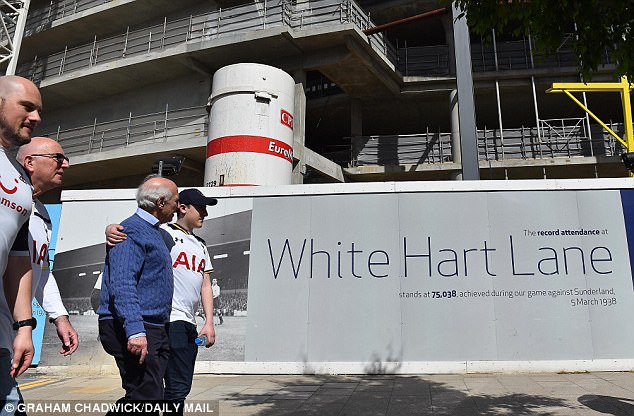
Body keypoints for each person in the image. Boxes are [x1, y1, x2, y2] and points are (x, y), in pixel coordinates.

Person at [107, 188, 217, 414]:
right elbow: (130, 231)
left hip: (189, 322)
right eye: (201, 207)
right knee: (163, 388)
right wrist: (110, 230)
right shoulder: (163, 232)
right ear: (183, 208)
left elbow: (205, 283)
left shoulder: (201, 244)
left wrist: (209, 322)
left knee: (177, 386)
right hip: (168, 319)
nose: (204, 213)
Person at [96, 175, 179, 413]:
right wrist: (135, 330)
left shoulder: (157, 232)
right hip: (135, 325)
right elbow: (122, 283)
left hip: (153, 325)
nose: (178, 206)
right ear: (161, 203)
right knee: (146, 396)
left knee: (148, 394)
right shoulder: (131, 231)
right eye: (176, 201)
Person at [0, 75, 42, 415]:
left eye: (38, 110)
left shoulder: (20, 183)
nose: (37, 117)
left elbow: (17, 260)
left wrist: (24, 327)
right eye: (26, 107)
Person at [15, 137, 78, 356]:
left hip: (11, 329)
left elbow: (41, 271)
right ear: (30, 162)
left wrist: (60, 316)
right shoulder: (6, 201)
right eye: (57, 158)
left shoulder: (41, 212)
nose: (65, 164)